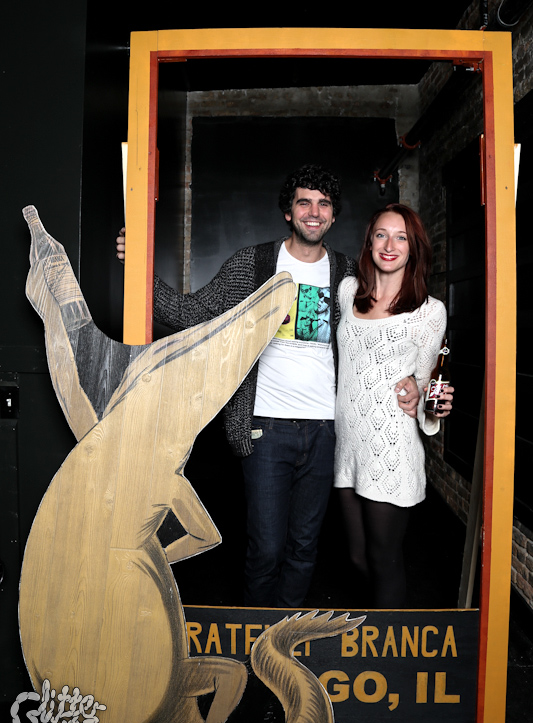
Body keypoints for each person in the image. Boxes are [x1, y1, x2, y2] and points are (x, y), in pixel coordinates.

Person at [116, 165, 422, 608]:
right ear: (288, 212)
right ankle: (256, 640)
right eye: (304, 202)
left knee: (304, 549)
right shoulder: (254, 265)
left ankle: (284, 636)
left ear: (333, 216)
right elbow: (190, 314)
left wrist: (415, 378)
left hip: (327, 431)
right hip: (265, 429)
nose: (313, 212)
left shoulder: (347, 274)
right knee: (266, 551)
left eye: (323, 204)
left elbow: (386, 329)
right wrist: (138, 271)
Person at [333, 203, 454, 609]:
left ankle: (387, 643)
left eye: (401, 237)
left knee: (384, 561)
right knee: (356, 558)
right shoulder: (348, 292)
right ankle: (378, 630)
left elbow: (424, 383)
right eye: (382, 235)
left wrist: (430, 402)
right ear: (369, 242)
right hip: (348, 446)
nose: (390, 245)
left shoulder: (429, 312)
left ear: (413, 247)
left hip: (390, 447)